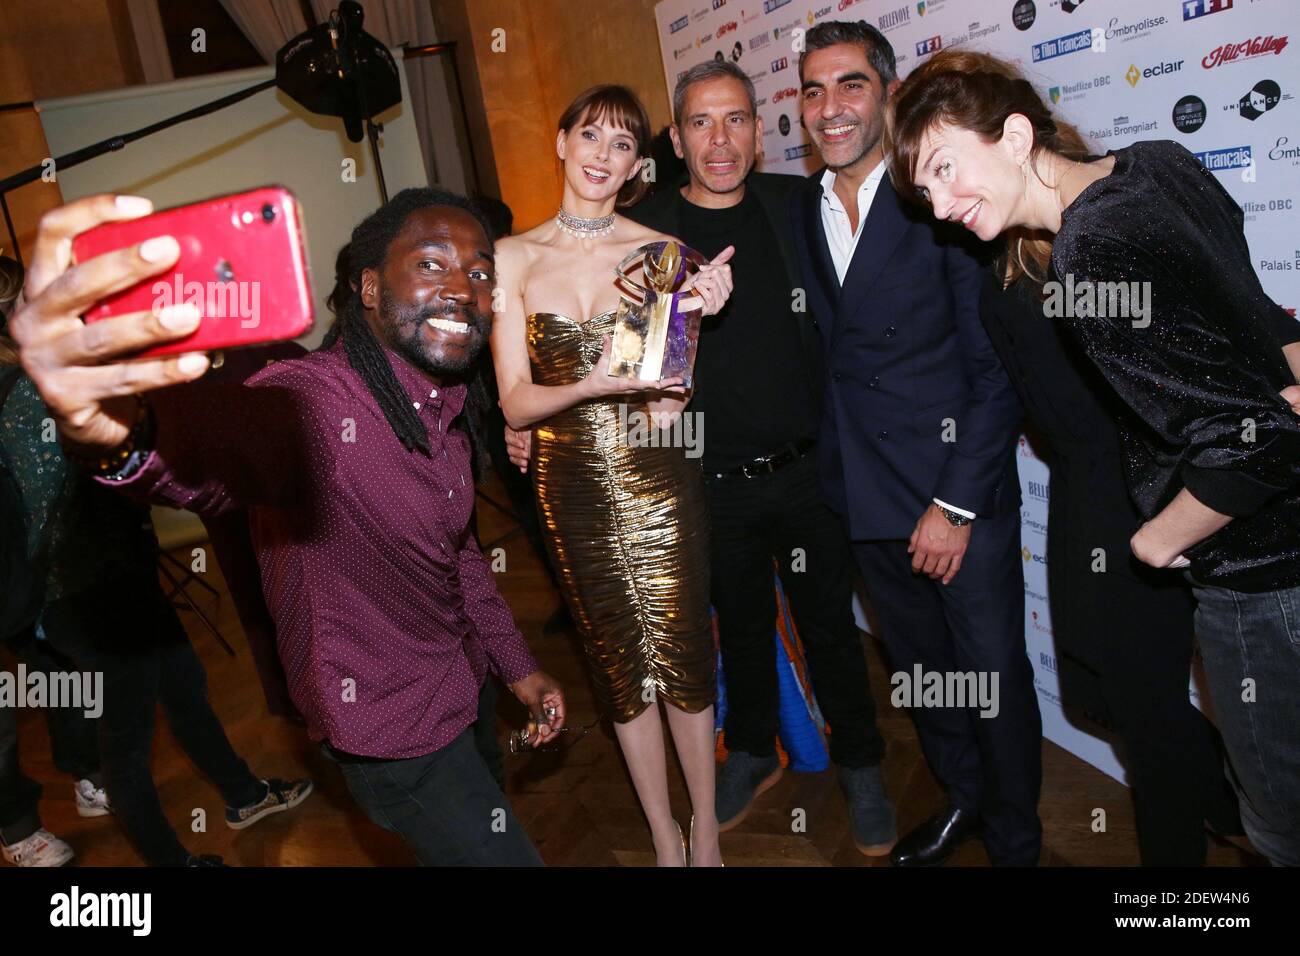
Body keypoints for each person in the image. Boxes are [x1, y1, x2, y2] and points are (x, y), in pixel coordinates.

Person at [9, 187, 566, 867]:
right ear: (367, 287)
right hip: (394, 737)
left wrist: (518, 668)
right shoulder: (320, 401)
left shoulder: (443, 408)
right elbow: (225, 446)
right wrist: (117, 429)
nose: (462, 288)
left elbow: (461, 556)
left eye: (480, 273)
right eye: (431, 263)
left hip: (463, 687)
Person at [888, 46, 1300, 867]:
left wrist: (1156, 540)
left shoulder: (1089, 252)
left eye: (944, 169)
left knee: (1278, 822)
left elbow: (1246, 441)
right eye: (923, 189)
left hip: (1237, 548)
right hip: (1226, 523)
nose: (938, 207)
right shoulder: (1160, 164)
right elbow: (1260, 325)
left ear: (1012, 135)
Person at [621, 60, 895, 855]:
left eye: (736, 119)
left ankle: (863, 763)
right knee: (737, 631)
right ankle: (749, 751)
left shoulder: (796, 206)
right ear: (676, 137)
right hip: (707, 479)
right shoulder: (647, 233)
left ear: (759, 128)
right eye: (701, 123)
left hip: (807, 469)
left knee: (831, 630)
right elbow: (642, 371)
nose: (720, 140)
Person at [790, 21, 1040, 867]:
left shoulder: (936, 198)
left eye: (850, 84)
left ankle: (1015, 842)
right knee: (928, 679)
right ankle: (962, 798)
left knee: (993, 680)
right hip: (866, 498)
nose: (831, 108)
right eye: (813, 90)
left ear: (889, 93)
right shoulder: (801, 208)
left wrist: (955, 504)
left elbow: (994, 370)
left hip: (951, 491)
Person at [491, 85, 734, 866]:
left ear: (637, 164)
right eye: (590, 135)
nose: (602, 155)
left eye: (622, 144)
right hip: (569, 487)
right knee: (618, 662)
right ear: (561, 143)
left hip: (660, 478)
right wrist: (590, 385)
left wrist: (695, 325)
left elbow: (667, 401)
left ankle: (708, 835)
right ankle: (663, 837)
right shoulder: (511, 257)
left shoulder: (660, 251)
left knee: (685, 652)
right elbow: (516, 403)